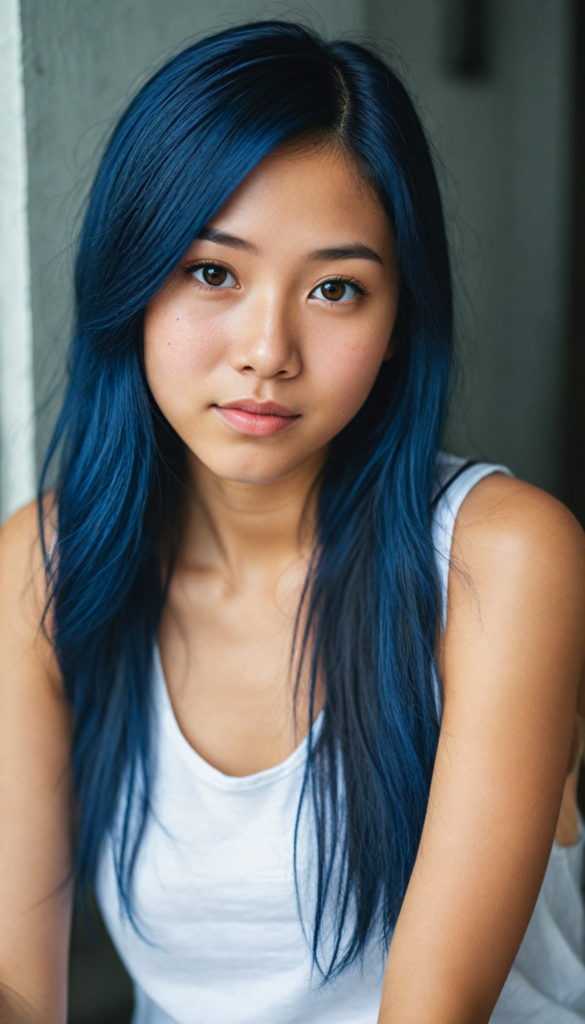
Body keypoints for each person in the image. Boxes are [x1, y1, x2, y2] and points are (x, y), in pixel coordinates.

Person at [0, 20, 583, 1024]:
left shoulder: (500, 559)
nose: (268, 349)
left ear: (401, 321)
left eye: (336, 289)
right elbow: (20, 989)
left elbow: (432, 1007)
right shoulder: (45, 570)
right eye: (213, 272)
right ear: (132, 280)